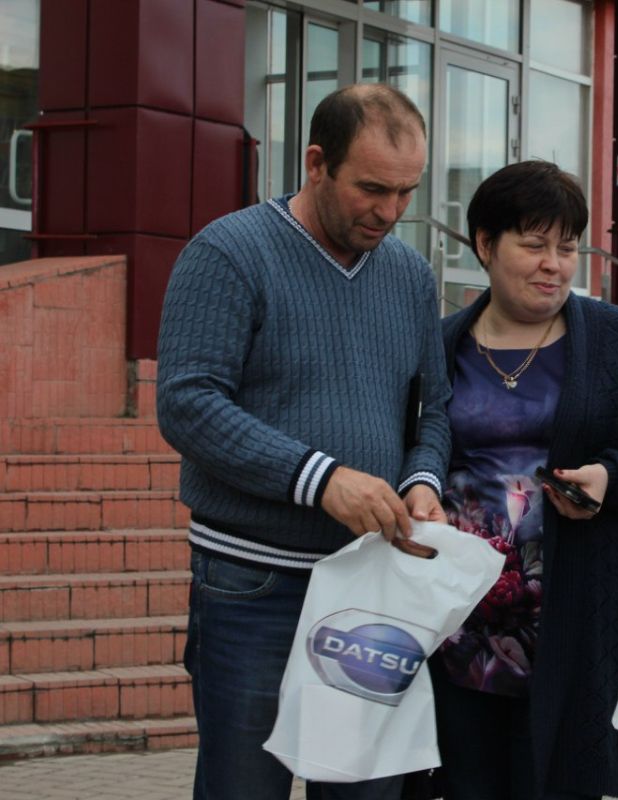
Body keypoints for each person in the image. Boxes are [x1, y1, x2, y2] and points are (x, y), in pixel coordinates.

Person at [156, 84, 452, 800]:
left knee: (366, 791)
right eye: (372, 189)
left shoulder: (411, 275)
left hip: (373, 587)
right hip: (252, 585)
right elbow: (187, 405)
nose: (390, 212)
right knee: (243, 788)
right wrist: (320, 478)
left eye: (406, 191)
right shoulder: (227, 252)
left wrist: (423, 481)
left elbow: (433, 413)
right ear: (316, 163)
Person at [430, 160, 618, 800]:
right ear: (484, 244)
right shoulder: (440, 345)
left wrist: (613, 478)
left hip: (580, 631)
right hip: (457, 637)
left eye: (567, 246)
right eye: (533, 244)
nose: (553, 263)